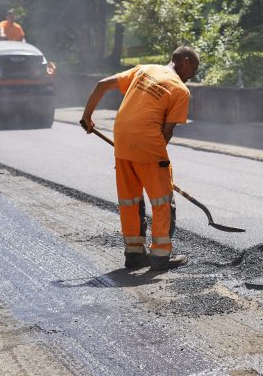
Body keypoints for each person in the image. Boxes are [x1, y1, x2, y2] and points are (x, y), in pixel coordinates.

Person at [80, 46, 200, 271]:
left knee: (130, 201)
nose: (193, 74)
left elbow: (101, 85)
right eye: (194, 68)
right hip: (148, 144)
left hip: (123, 143)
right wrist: (155, 160)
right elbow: (167, 130)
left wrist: (87, 116)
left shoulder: (144, 70)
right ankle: (160, 257)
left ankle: (134, 255)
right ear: (184, 61)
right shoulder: (180, 89)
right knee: (162, 202)